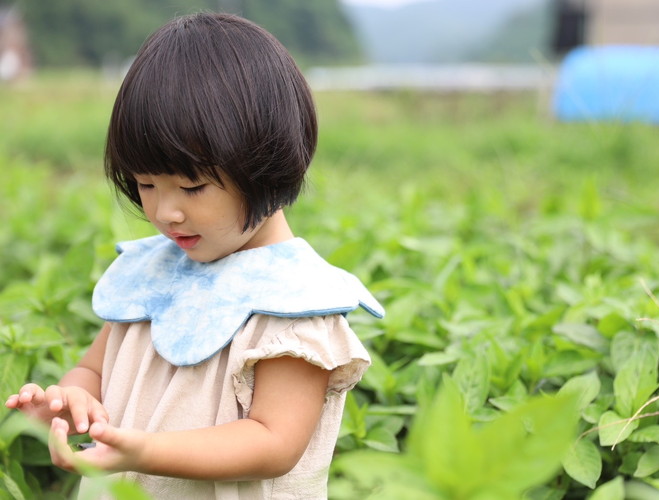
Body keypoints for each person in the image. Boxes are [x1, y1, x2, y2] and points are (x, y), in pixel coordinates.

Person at [5, 12, 384, 499]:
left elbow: (273, 442)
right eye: (145, 184)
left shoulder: (294, 303)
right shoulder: (149, 274)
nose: (166, 212)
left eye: (192, 186)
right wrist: (71, 400)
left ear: (268, 165)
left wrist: (143, 451)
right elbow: (94, 370)